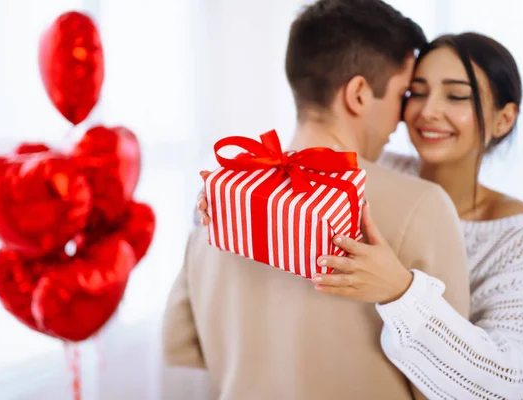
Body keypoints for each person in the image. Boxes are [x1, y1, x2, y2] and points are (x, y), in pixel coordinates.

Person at [165, 1, 470, 399]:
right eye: (403, 93)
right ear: (359, 94)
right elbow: (453, 386)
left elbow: (181, 351)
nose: (402, 117)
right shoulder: (424, 205)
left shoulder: (219, 201)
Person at [309, 33, 523, 399]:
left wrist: (402, 293)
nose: (428, 110)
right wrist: (224, 200)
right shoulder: (371, 173)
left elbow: (517, 384)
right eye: (416, 92)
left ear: (503, 119)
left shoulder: (512, 229)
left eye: (456, 96)